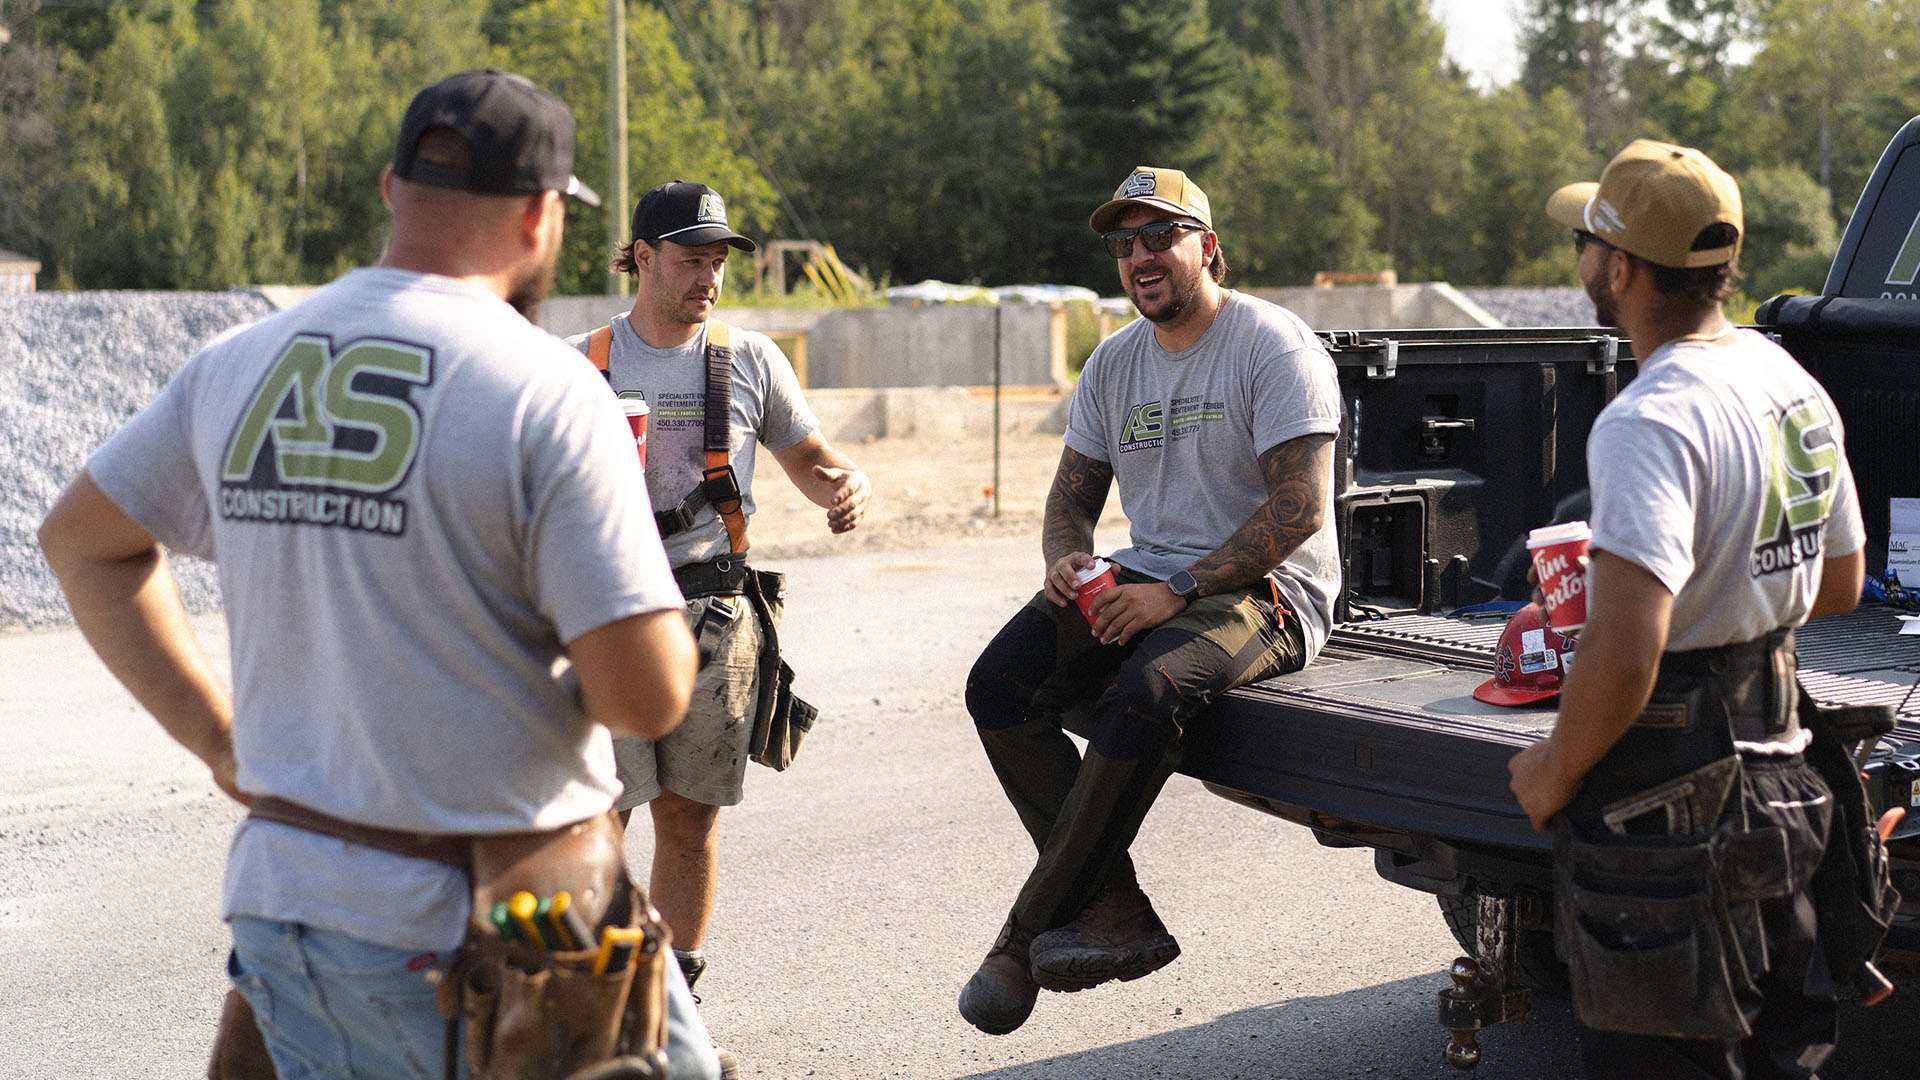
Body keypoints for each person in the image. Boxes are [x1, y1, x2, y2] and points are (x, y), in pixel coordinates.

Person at [36, 69, 721, 1080]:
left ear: (394, 191)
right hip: (501, 923)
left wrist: (221, 745)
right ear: (541, 217)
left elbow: (82, 543)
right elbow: (645, 693)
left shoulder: (240, 364)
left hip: (289, 908)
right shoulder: (548, 391)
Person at [1509, 139, 1869, 1079]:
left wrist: (1552, 769)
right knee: (1784, 1053)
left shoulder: (1649, 417)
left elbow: (1628, 654)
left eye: (1588, 241)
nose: (1582, 258)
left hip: (1668, 812)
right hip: (1787, 778)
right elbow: (1840, 583)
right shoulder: (1788, 384)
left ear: (1619, 269)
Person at [957, 166, 1343, 1035]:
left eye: (1159, 235)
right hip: (1151, 575)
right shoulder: (1115, 362)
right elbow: (1070, 502)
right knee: (998, 687)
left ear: (1207, 247)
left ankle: (1021, 937)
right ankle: (1116, 909)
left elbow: (1297, 511)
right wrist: (1066, 561)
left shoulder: (1271, 346)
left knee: (1148, 691)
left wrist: (1176, 590)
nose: (1139, 256)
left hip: (1268, 590)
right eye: (1122, 243)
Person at [568, 179, 872, 1067]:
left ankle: (672, 1010)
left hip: (713, 618)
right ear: (642, 256)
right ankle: (601, 1001)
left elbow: (809, 460)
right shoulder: (577, 362)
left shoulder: (750, 361)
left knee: (689, 824)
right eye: (691, 259)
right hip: (603, 621)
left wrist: (841, 487)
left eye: (717, 261)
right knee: (595, 828)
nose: (708, 276)